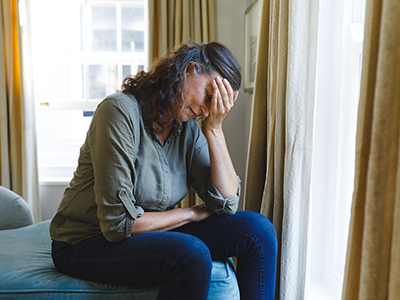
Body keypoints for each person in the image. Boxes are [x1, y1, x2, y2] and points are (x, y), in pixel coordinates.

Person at [50, 41, 277, 300]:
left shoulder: (188, 128)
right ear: (188, 70)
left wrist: (214, 129)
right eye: (209, 97)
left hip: (148, 231)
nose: (206, 110)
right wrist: (192, 213)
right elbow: (117, 225)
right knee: (191, 253)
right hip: (87, 241)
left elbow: (225, 204)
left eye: (217, 106)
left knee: (258, 231)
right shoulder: (118, 112)